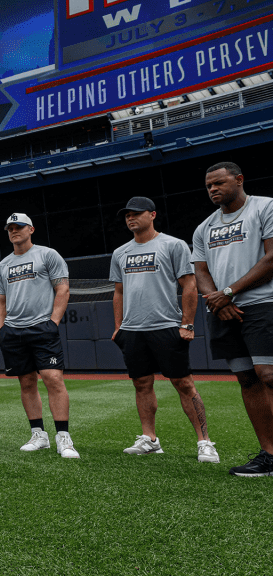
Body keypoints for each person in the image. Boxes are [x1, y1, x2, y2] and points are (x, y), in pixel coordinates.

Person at [110, 197, 219, 462]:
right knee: (141, 384)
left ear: (153, 215)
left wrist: (187, 323)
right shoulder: (120, 252)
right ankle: (150, 439)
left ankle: (205, 442)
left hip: (166, 326)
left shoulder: (173, 245)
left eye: (136, 213)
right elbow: (119, 291)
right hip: (133, 330)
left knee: (183, 383)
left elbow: (189, 285)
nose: (130, 218)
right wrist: (118, 327)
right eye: (127, 215)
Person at [192, 162, 273, 477]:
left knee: (268, 374)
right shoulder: (204, 227)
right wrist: (217, 300)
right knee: (246, 378)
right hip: (224, 310)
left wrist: (228, 291)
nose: (213, 189)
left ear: (239, 180)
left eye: (219, 183)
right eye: (209, 185)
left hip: (262, 303)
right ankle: (269, 454)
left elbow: (271, 257)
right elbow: (200, 271)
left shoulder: (264, 207)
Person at [0, 213, 79, 459]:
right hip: (13, 330)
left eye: (18, 227)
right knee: (26, 382)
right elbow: (0, 300)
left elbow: (62, 288)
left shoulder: (48, 255)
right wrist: (2, 328)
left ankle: (63, 437)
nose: (13, 231)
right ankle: (38, 435)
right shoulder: (3, 265)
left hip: (42, 327)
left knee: (53, 379)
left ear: (31, 229)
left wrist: (53, 321)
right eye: (10, 228)